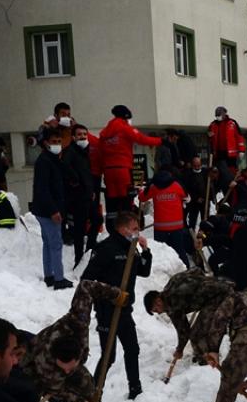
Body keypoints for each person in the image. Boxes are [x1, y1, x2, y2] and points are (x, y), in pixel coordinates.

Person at [21, 280, 122, 402]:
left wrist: (115, 294)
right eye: (65, 369)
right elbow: (57, 389)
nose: (68, 372)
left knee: (87, 384)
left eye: (71, 368)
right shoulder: (46, 365)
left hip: (50, 349)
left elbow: (85, 286)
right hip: (30, 366)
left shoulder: (78, 321)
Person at [81, 212, 152, 401]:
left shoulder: (131, 248)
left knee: (132, 349)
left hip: (125, 310)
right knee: (108, 356)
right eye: (135, 228)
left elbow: (144, 271)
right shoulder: (106, 249)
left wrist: (146, 250)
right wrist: (112, 294)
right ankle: (93, 396)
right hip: (107, 311)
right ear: (123, 228)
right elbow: (87, 281)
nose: (137, 232)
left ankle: (135, 389)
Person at [91, 105, 162, 214]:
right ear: (126, 116)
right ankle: (126, 220)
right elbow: (142, 139)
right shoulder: (125, 128)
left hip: (108, 170)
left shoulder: (105, 133)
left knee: (113, 201)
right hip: (122, 168)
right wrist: (160, 141)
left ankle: (114, 221)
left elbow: (99, 151)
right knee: (126, 199)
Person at [33, 127, 72, 290]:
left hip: (44, 209)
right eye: (53, 142)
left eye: (59, 141)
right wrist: (53, 211)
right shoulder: (45, 161)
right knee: (55, 244)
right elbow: (43, 189)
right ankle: (59, 278)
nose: (57, 144)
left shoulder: (51, 159)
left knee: (48, 243)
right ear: (46, 143)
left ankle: (49, 275)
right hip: (49, 211)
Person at [63, 124, 100, 267]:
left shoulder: (84, 152)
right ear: (73, 137)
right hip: (78, 198)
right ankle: (79, 259)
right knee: (79, 229)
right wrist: (76, 181)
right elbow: (65, 167)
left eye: (85, 134)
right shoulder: (70, 151)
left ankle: (89, 249)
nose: (83, 137)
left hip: (87, 195)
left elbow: (87, 174)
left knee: (97, 220)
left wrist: (91, 191)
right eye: (79, 134)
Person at [140, 169, 193, 268]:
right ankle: (186, 269)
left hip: (160, 227)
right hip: (176, 226)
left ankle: (165, 271)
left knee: (161, 252)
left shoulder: (153, 187)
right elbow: (187, 198)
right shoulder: (177, 185)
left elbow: (142, 198)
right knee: (179, 250)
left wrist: (141, 190)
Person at [207, 106, 246, 173]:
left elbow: (239, 137)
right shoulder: (213, 125)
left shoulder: (232, 123)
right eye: (216, 115)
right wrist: (209, 136)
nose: (218, 117)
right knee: (219, 170)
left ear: (224, 114)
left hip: (231, 153)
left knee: (231, 170)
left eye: (219, 115)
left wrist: (241, 150)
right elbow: (209, 138)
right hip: (218, 153)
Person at [181, 156, 208, 233]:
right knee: (192, 221)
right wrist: (195, 198)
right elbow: (186, 189)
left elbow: (208, 186)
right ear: (192, 165)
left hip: (204, 202)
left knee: (204, 220)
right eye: (195, 165)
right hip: (192, 203)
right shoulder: (188, 174)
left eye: (198, 165)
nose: (197, 167)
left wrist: (204, 197)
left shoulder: (205, 173)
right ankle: (191, 235)